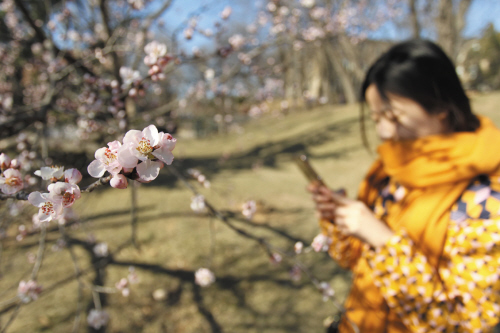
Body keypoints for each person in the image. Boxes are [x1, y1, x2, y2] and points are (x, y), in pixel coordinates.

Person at [308, 39, 500, 332]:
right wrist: (338, 219)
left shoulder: (486, 198)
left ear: (440, 107)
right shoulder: (388, 171)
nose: (383, 132)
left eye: (393, 117)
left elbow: (460, 324)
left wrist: (384, 241)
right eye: (376, 119)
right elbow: (351, 258)